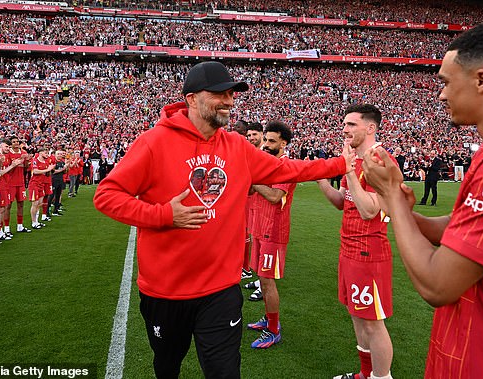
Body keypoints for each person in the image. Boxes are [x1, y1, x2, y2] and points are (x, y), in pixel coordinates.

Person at [94, 61, 354, 378]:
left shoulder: (236, 147)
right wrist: (163, 214)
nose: (229, 101)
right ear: (191, 98)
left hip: (221, 291)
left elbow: (287, 170)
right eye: (220, 94)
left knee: (225, 373)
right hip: (166, 292)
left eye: (231, 94)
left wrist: (341, 163)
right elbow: (106, 196)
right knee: (167, 367)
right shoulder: (153, 142)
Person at [362, 19, 483, 378]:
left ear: (482, 80)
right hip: (470, 348)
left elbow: (437, 284)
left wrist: (392, 197)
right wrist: (414, 217)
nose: (440, 95)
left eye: (445, 82)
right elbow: (462, 228)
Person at [318, 105, 394, 379]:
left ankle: (381, 377)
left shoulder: (379, 161)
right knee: (357, 315)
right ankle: (364, 373)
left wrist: (348, 170)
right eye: (345, 124)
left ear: (370, 128)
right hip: (348, 249)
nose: (345, 129)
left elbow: (369, 210)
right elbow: (343, 203)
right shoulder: (355, 161)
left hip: (369, 253)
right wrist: (322, 180)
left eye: (351, 124)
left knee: (373, 323)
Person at [246, 120, 296, 349]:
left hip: (272, 232)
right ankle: (268, 317)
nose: (265, 144)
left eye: (271, 141)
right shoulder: (264, 161)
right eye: (265, 139)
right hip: (258, 227)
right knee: (262, 279)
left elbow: (276, 196)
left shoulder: (286, 166)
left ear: (283, 143)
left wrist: (254, 181)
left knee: (267, 282)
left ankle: (274, 329)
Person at [242, 121, 263, 284]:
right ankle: (256, 275)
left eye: (254, 134)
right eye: (249, 135)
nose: (251, 138)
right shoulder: (251, 152)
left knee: (259, 237)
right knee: (253, 236)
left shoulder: (266, 153)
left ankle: (253, 272)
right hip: (253, 200)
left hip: (264, 203)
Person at [28, 146, 55, 229]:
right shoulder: (35, 161)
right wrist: (47, 170)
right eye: (45, 153)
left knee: (39, 203)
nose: (47, 155)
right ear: (40, 153)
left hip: (41, 184)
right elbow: (35, 171)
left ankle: (37, 221)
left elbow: (47, 173)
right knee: (35, 204)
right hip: (34, 184)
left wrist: (51, 170)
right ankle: (33, 222)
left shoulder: (46, 162)